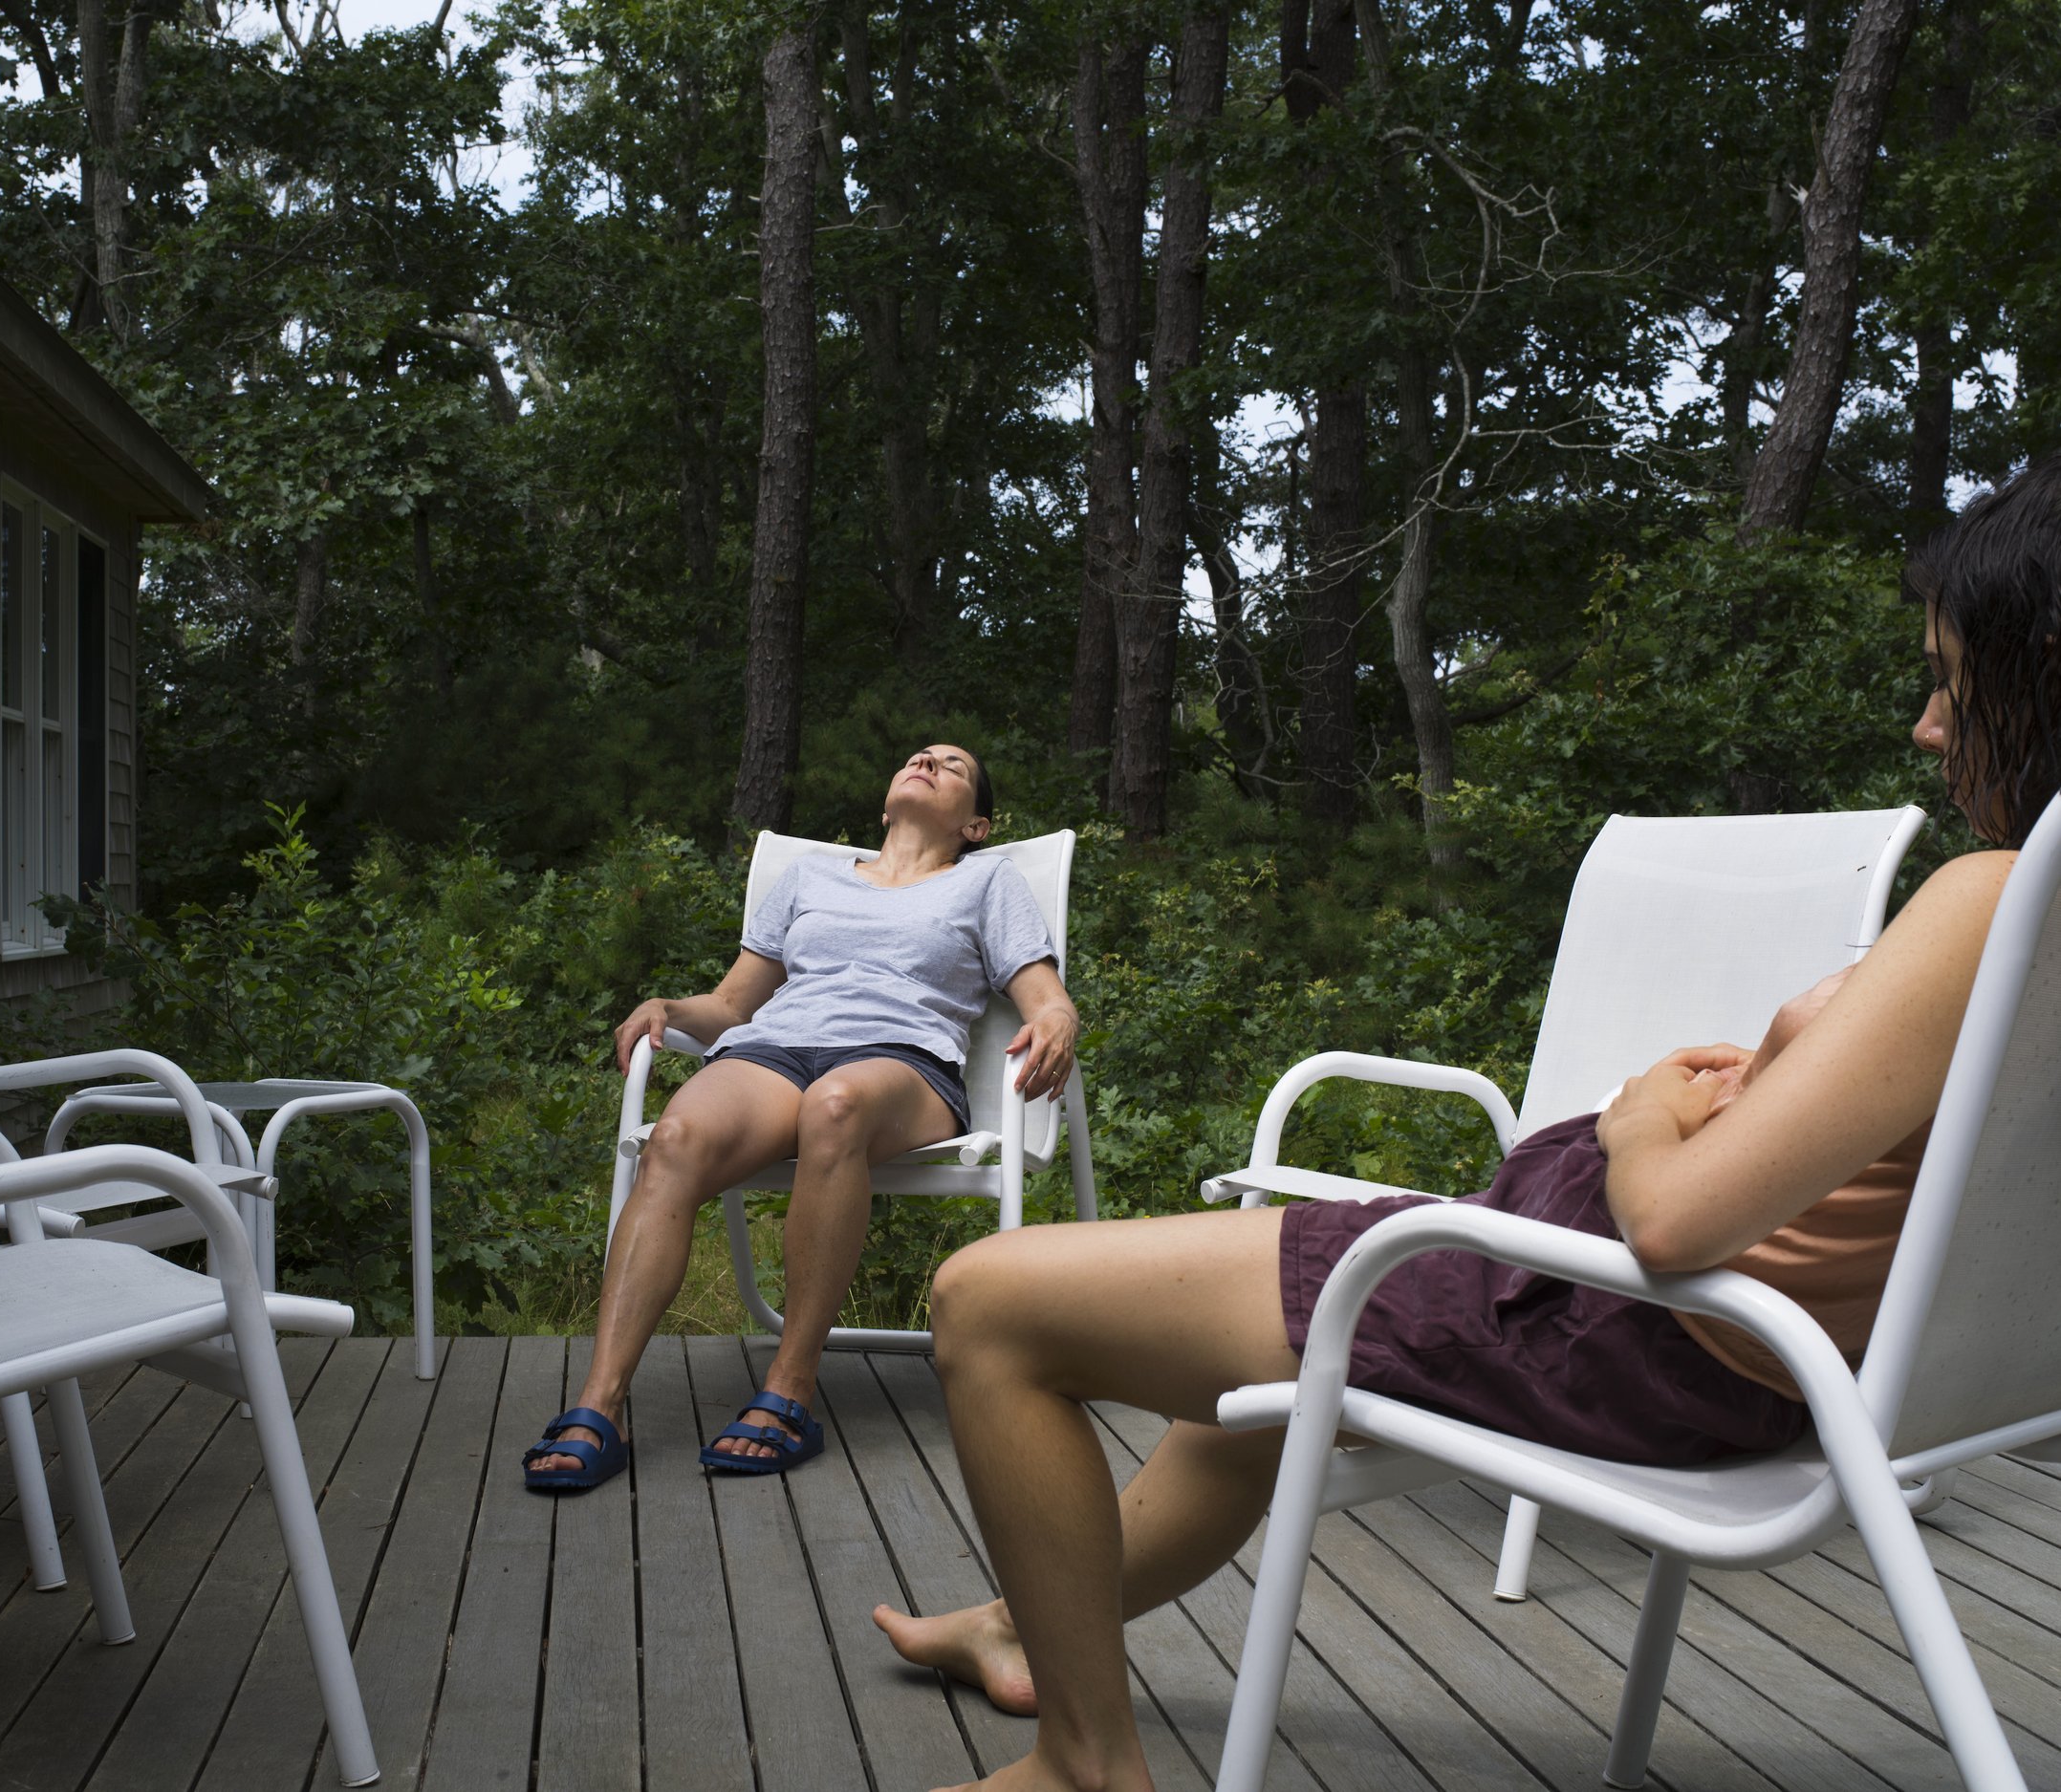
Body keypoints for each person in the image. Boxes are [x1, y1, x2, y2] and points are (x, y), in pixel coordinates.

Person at [872, 460, 2061, 1792]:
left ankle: (1085, 1759)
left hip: (1619, 1321)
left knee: (987, 1300)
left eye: (1956, 679)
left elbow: (1671, 1220)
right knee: (1240, 1385)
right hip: (1693, 1338)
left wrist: (1638, 1121)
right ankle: (1025, 1619)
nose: (1926, 720)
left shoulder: (1996, 896)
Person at [524, 744, 1079, 1490]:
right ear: (885, 803)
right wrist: (666, 1006)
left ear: (976, 824)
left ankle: (789, 1388)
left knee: (836, 1104)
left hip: (900, 1064)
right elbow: (730, 1006)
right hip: (775, 1050)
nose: (927, 760)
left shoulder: (986, 879)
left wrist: (1058, 1017)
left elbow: (1041, 990)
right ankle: (602, 1402)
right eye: (919, 756)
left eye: (951, 764)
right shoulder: (810, 875)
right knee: (678, 1138)